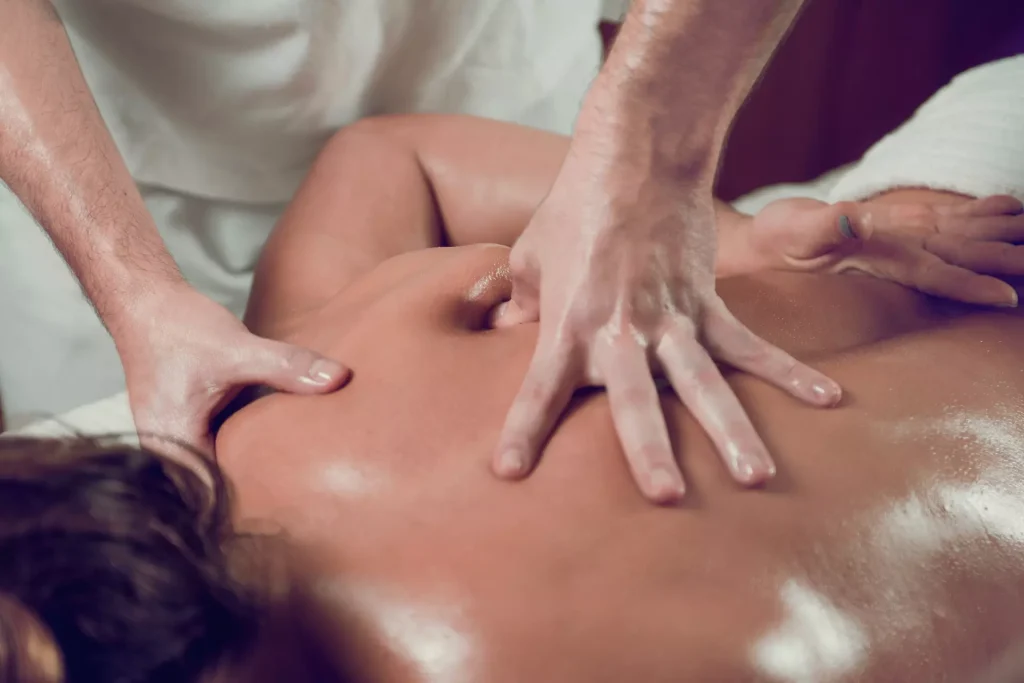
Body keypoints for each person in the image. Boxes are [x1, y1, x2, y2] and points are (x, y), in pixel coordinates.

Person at [3, 110, 1024, 683]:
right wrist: (740, 236)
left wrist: (723, 234)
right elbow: (389, 157)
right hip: (946, 206)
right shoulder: (288, 391)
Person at [0, 0, 626, 448]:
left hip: (485, 88)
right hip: (103, 166)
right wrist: (136, 294)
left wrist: (649, 172)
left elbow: (389, 159)